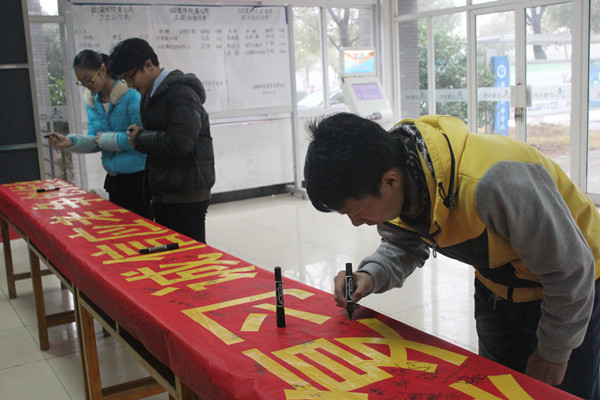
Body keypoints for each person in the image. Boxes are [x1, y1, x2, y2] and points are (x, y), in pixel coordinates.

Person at [303, 112, 600, 400]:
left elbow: (570, 270)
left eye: (354, 211)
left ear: (390, 182)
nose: (356, 222)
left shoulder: (495, 181)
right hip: (497, 289)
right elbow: (404, 244)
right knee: (497, 388)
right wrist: (369, 275)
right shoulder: (400, 174)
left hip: (573, 292)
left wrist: (553, 354)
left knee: (561, 391)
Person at [108, 38, 215, 244]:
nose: (130, 85)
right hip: (166, 189)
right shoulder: (150, 94)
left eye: (131, 77)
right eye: (125, 80)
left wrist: (140, 138)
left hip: (186, 191)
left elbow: (180, 142)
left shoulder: (181, 92)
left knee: (189, 255)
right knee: (171, 256)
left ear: (148, 65)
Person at [48, 50, 152, 219]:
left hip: (139, 177)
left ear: (102, 70)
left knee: (142, 229)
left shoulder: (130, 94)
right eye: (81, 82)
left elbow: (140, 136)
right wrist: (70, 141)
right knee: (118, 228)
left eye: (89, 79)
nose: (87, 85)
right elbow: (95, 140)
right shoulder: (93, 101)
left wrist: (104, 139)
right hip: (115, 178)